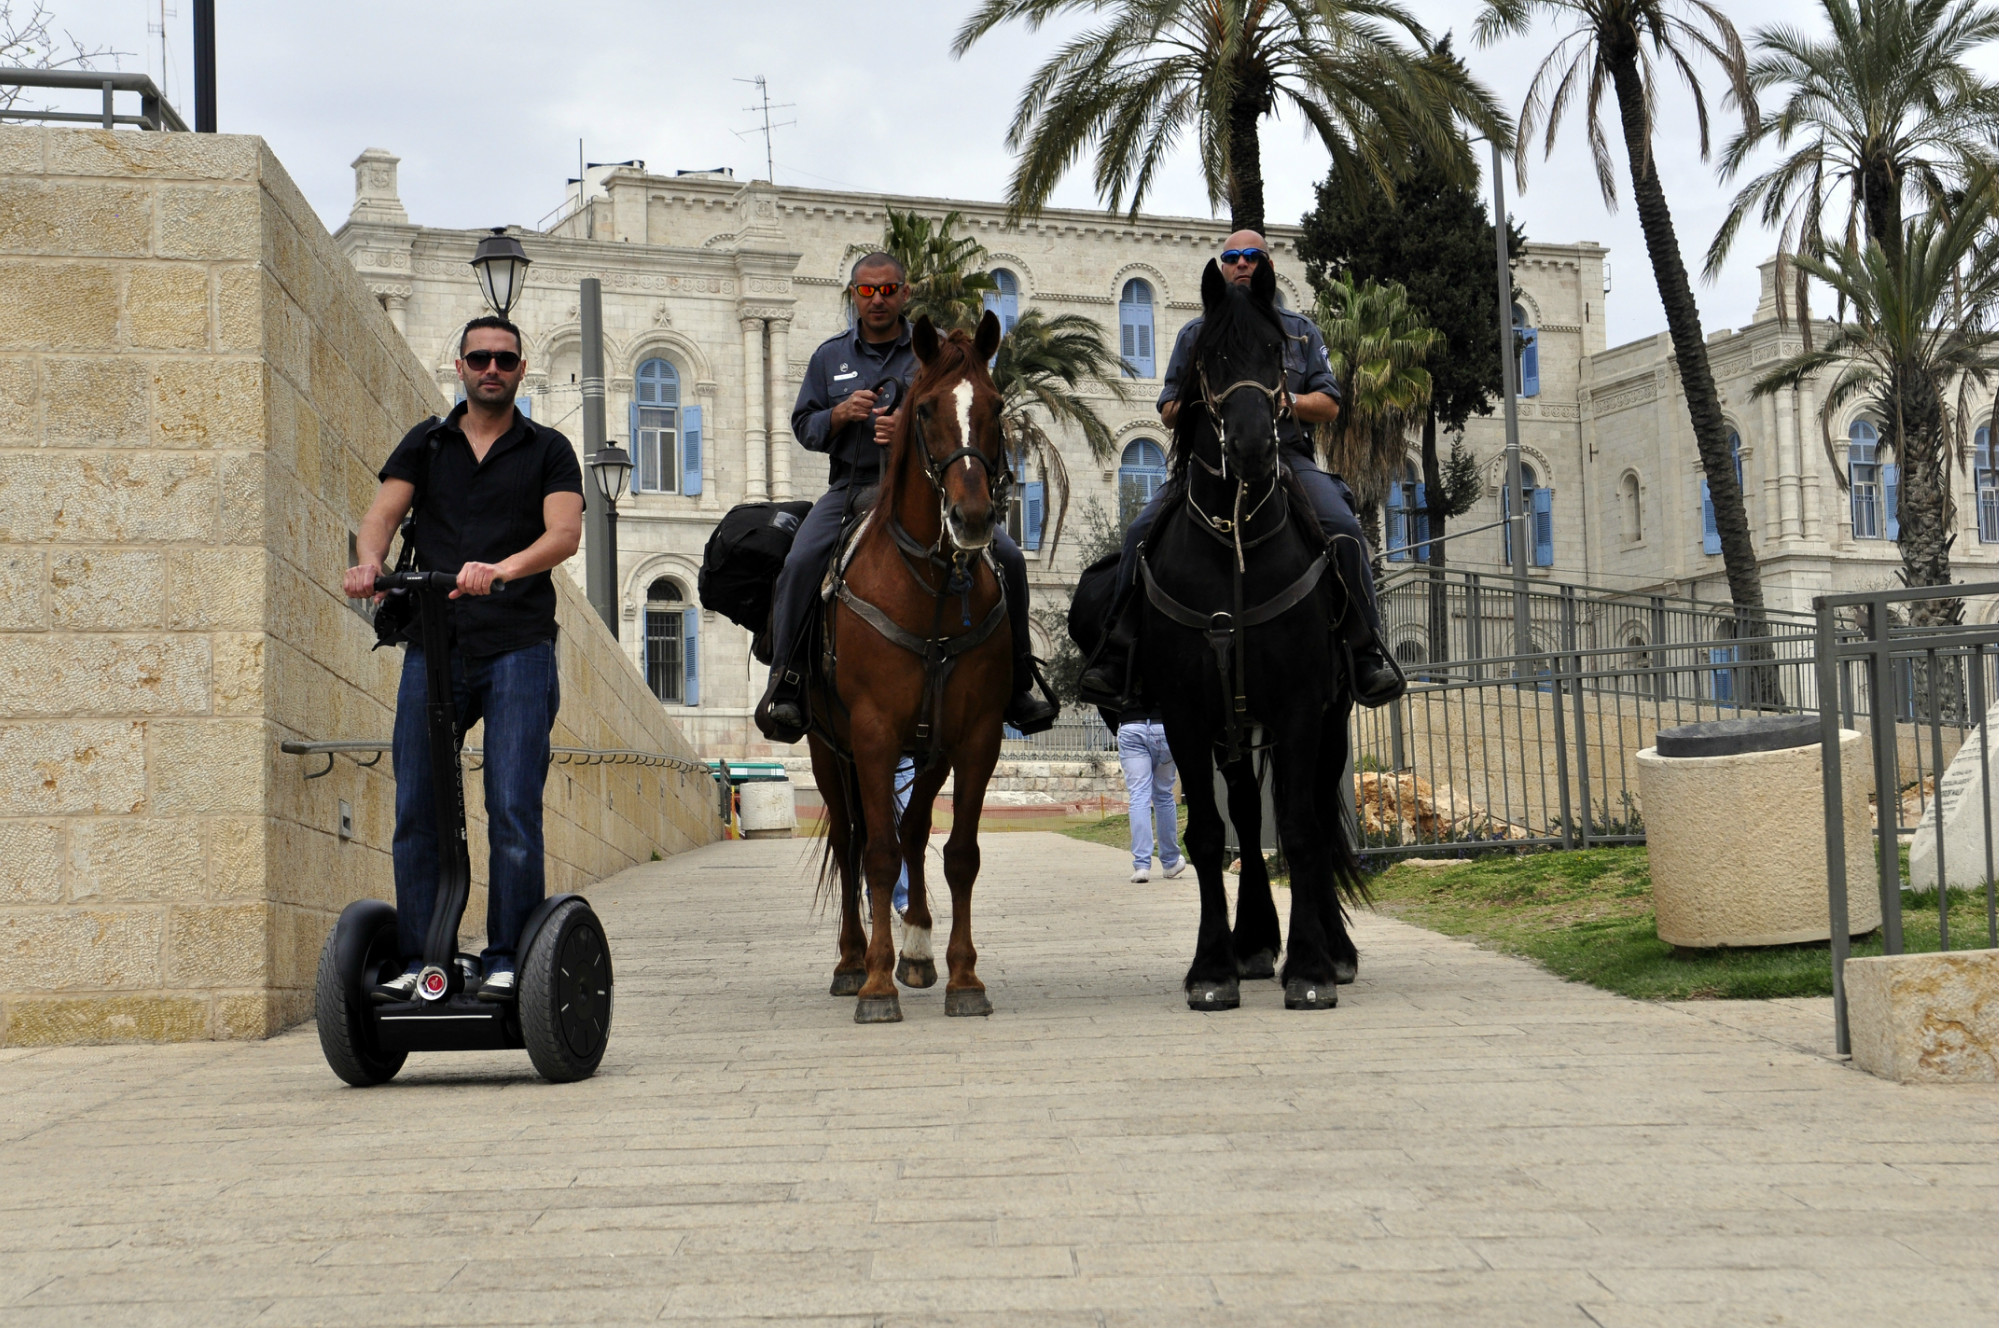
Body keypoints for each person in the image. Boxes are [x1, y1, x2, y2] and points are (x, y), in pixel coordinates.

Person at [343, 315, 585, 1003]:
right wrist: (369, 565)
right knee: (418, 804)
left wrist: (502, 569)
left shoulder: (549, 450)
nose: (491, 368)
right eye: (480, 357)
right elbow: (381, 517)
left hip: (518, 646)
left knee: (510, 804)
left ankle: (508, 955)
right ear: (460, 365)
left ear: (519, 371)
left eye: (505, 360)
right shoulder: (428, 441)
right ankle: (427, 962)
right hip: (435, 643)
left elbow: (563, 534)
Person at [1078, 231, 1404, 709]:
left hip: (1285, 457)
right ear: (1222, 268)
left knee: (1343, 528)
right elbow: (1168, 407)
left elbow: (1330, 403)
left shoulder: (1299, 331)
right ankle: (1117, 650)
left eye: (1252, 257)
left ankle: (1364, 650)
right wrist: (1205, 399)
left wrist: (1283, 400)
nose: (1242, 264)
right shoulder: (1195, 333)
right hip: (1209, 462)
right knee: (1140, 533)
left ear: (1267, 268)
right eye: (1231, 258)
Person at [756, 251, 1058, 743]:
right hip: (851, 488)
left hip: (925, 489)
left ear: (905, 293)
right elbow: (803, 426)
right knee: (801, 559)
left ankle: (1020, 682)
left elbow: (959, 414)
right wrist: (839, 415)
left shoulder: (937, 351)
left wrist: (905, 432)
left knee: (1009, 557)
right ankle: (787, 681)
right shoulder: (830, 357)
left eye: (888, 290)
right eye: (868, 291)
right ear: (854, 295)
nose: (878, 300)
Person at [1117, 704, 1186, 884]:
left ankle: (1142, 866)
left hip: (1131, 725)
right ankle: (1171, 862)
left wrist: (1120, 721)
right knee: (1163, 795)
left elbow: (1102, 694)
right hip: (1164, 726)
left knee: (1139, 795)